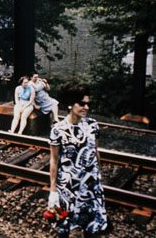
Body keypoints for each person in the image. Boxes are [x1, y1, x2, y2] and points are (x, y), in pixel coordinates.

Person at [48, 83, 108, 237]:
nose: (86, 107)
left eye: (88, 103)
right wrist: (53, 190)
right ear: (70, 104)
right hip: (69, 186)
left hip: (90, 183)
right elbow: (54, 161)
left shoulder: (92, 125)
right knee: (69, 228)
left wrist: (99, 178)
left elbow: (95, 152)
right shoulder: (58, 130)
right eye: (82, 103)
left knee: (92, 227)